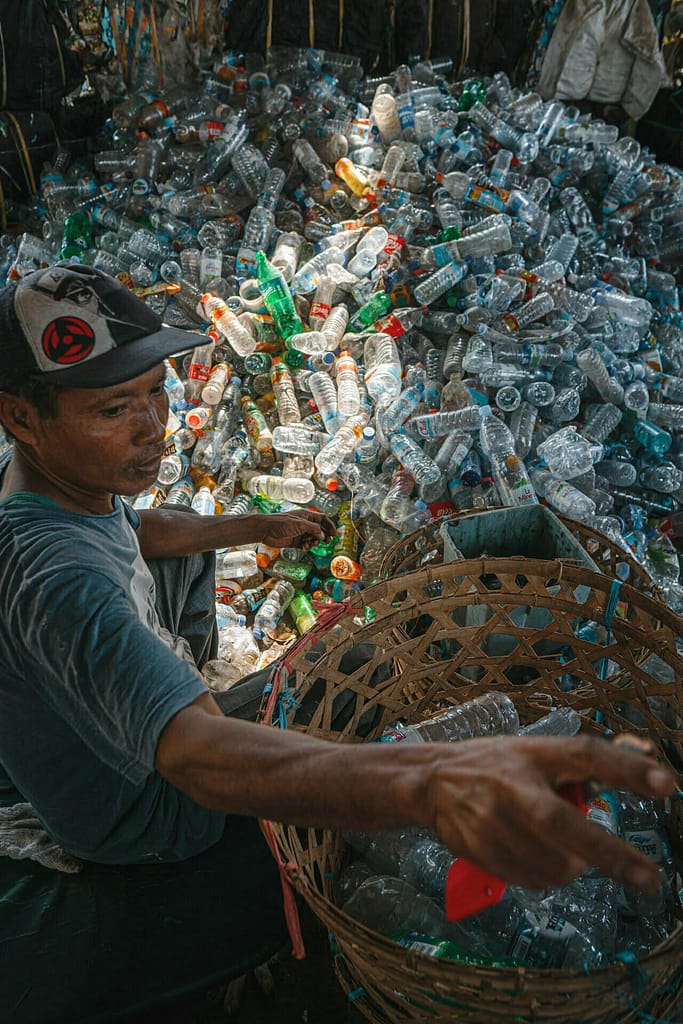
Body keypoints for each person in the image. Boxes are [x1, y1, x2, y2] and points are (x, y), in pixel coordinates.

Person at [0, 266, 675, 1022]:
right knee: (351, 751)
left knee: (347, 669)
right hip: (152, 813)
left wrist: (254, 526)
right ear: (22, 418)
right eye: (116, 407)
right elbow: (195, 757)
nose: (154, 425)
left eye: (158, 391)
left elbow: (140, 531)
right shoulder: (57, 579)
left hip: (135, 740)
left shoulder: (50, 484)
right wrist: (423, 783)